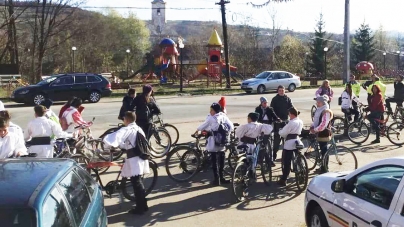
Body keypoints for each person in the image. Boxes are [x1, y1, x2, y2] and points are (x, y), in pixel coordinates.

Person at [103, 111, 149, 215]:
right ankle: (143, 205)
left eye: (124, 119)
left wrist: (109, 144)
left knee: (137, 184)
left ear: (127, 119)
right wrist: (120, 146)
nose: (123, 121)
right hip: (140, 157)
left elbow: (115, 137)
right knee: (137, 183)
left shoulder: (127, 128)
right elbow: (129, 143)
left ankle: (140, 208)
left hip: (134, 159)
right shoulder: (138, 128)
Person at [195, 102, 234, 185]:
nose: (210, 111)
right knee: (221, 160)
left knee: (214, 161)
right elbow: (231, 127)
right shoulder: (223, 116)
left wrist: (197, 130)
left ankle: (217, 179)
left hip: (213, 142)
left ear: (215, 111)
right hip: (222, 142)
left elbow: (203, 125)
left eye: (211, 110)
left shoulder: (211, 118)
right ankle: (222, 177)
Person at [278, 107, 303, 186]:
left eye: (289, 114)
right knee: (298, 158)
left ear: (291, 114)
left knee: (287, 161)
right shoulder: (300, 121)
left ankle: (284, 179)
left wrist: (280, 131)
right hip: (297, 140)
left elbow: (283, 132)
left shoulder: (291, 123)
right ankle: (302, 173)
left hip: (290, 142)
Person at [270, 85, 293, 161]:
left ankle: (286, 155)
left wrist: (294, 113)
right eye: (280, 90)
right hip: (277, 122)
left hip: (285, 121)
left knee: (287, 140)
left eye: (282, 90)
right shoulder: (275, 99)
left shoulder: (287, 99)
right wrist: (276, 118)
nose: (281, 91)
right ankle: (273, 155)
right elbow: (271, 110)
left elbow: (291, 108)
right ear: (278, 91)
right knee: (277, 140)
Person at [310, 95, 333, 173]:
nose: (316, 103)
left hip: (323, 133)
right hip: (319, 133)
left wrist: (315, 130)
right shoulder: (319, 109)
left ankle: (325, 168)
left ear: (322, 103)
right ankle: (322, 166)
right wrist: (312, 126)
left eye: (318, 102)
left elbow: (323, 125)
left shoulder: (326, 111)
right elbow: (315, 120)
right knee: (322, 150)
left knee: (324, 151)